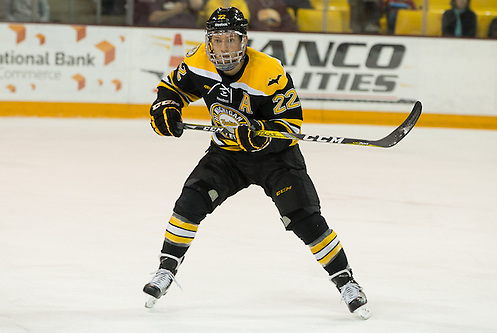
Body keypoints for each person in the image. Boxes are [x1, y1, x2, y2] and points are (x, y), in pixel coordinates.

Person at [142, 7, 371, 319]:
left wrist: (264, 137)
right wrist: (166, 107)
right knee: (190, 202)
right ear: (209, 42)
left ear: (244, 40)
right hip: (227, 155)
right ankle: (166, 270)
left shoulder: (269, 72)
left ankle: (346, 281)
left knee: (305, 218)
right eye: (218, 41)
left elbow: (291, 127)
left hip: (275, 158)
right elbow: (172, 89)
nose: (224, 48)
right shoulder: (197, 61)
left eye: (231, 40)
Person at [134, 0, 203, 27]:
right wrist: (174, 11)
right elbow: (153, 18)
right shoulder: (159, 2)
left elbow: (199, 4)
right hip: (167, 31)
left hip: (191, 31)